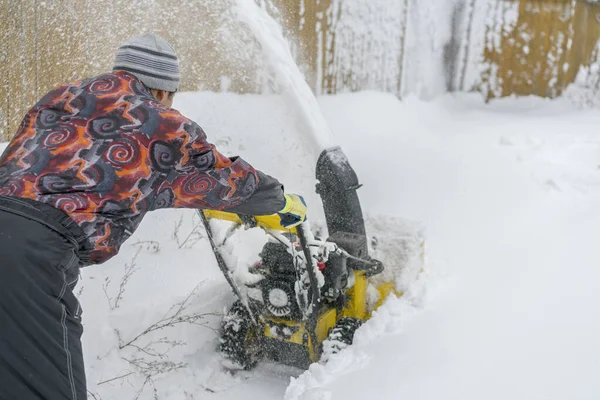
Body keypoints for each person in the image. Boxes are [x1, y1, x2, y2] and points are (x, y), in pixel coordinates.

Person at [0, 33, 307, 400]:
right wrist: (280, 201)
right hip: (30, 257)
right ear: (161, 91)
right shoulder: (159, 124)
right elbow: (225, 182)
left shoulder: (62, 97)